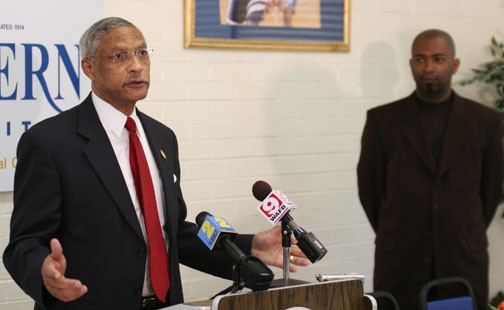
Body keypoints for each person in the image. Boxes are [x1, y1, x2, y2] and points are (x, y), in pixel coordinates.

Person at [3, 17, 309, 310]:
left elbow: (172, 233)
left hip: (167, 304)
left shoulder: (162, 138)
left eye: (141, 53)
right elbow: (24, 243)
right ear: (89, 68)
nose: (136, 66)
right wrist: (43, 271)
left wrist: (249, 246)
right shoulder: (50, 142)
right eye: (119, 56)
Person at [357, 29, 504, 310]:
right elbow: (370, 190)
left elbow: (491, 190)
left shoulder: (486, 122)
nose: (429, 67)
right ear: (411, 64)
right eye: (420, 59)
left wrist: (459, 230)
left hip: (463, 259)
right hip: (400, 261)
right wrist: (397, 232)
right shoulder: (382, 121)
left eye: (438, 59)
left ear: (454, 65)